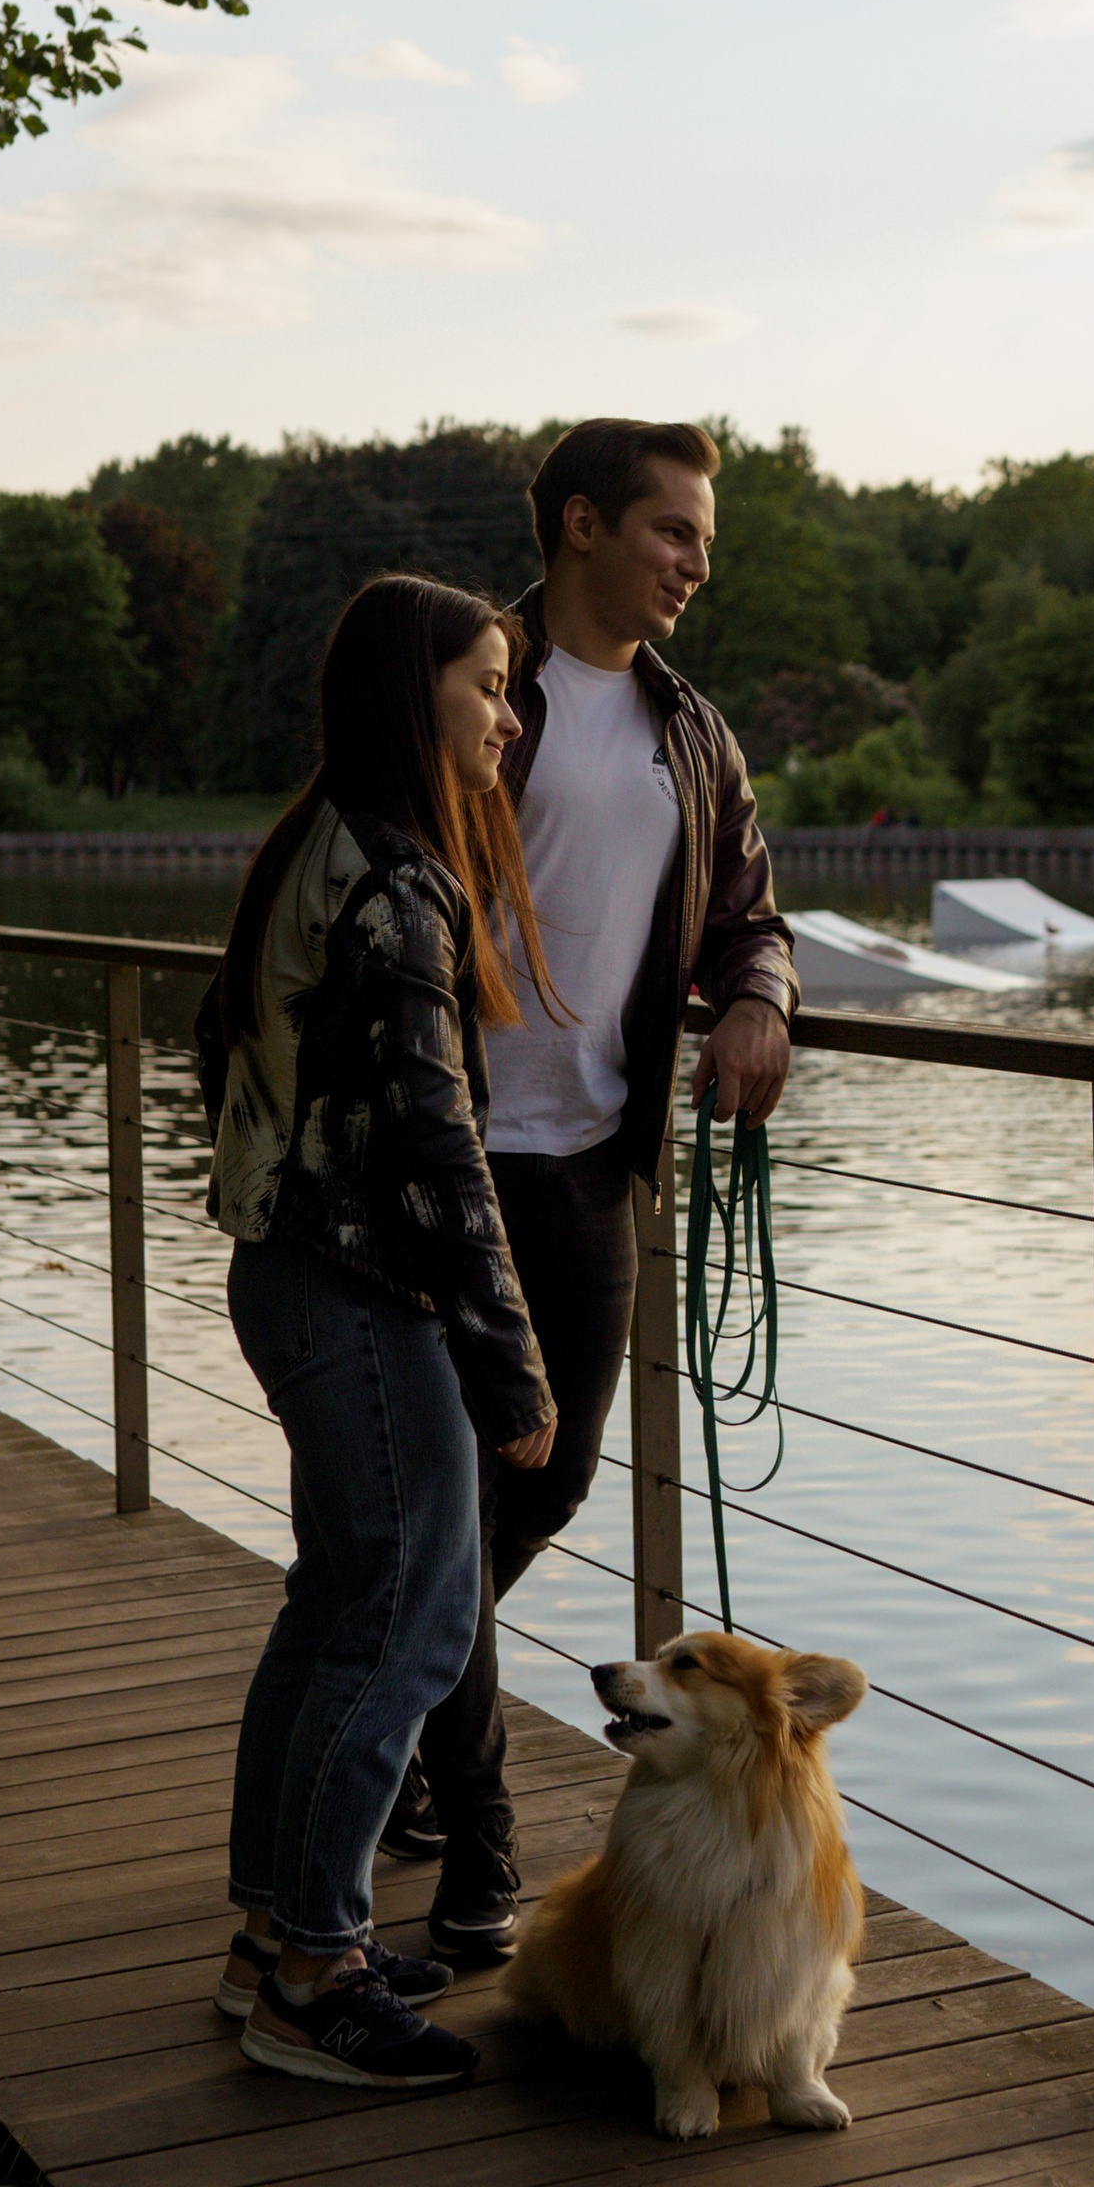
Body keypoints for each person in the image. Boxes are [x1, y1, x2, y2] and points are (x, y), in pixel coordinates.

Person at [408, 418, 797, 1968]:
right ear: (582, 525)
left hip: (593, 1165)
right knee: (452, 1496)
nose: (700, 564)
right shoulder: (470, 678)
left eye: (705, 539)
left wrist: (758, 994)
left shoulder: (691, 731)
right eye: (674, 533)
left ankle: (384, 1672)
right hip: (450, 1159)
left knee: (543, 1483)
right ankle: (476, 1836)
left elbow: (749, 905)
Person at [207, 573, 561, 2091]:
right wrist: (512, 1362)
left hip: (290, 1272)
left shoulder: (320, 845)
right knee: (411, 1620)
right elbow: (437, 1146)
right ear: (413, 697)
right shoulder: (398, 884)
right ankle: (315, 1975)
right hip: (356, 1290)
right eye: (487, 685)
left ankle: (280, 1933)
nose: (509, 714)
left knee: (335, 1603)